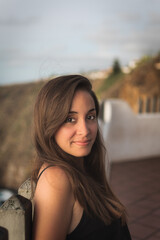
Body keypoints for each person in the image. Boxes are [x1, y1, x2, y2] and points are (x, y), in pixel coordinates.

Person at [32, 75, 132, 240]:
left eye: (90, 117)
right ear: (48, 125)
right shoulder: (56, 178)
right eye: (70, 119)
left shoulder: (84, 168)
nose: (85, 130)